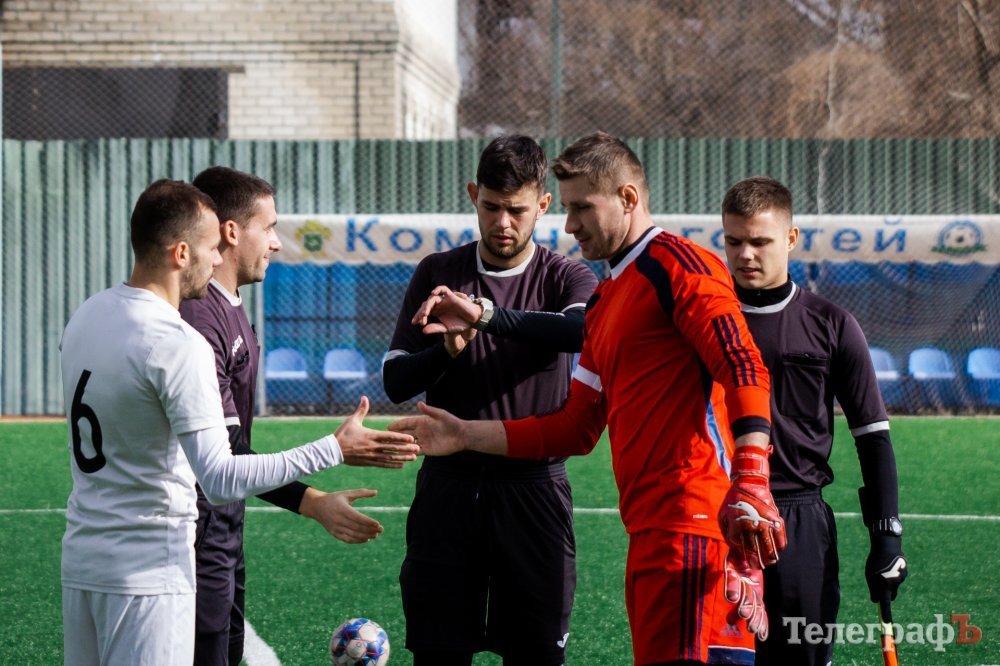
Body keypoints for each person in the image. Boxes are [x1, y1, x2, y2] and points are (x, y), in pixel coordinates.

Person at [390, 132, 786, 666]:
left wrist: (753, 476)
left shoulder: (680, 265)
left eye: (581, 208)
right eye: (568, 208)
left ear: (628, 198)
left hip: (694, 525)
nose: (570, 225)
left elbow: (742, 364)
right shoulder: (606, 299)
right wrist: (463, 434)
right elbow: (574, 427)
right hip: (647, 531)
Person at [59, 179, 418, 666]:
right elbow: (220, 477)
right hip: (148, 571)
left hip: (83, 560)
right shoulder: (177, 341)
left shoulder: (88, 314)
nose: (216, 260)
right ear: (181, 253)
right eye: (211, 248)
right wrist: (334, 448)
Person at [381, 135, 599, 665]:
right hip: (448, 491)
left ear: (542, 205)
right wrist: (446, 352)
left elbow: (577, 331)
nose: (503, 222)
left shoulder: (566, 275)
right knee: (439, 654)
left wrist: (484, 316)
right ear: (473, 195)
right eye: (492, 207)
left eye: (517, 210)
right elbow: (395, 381)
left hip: (535, 490)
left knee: (535, 657)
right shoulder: (438, 272)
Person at [179, 166, 387, 666]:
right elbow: (227, 456)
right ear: (232, 231)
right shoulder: (199, 319)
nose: (275, 242)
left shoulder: (229, 307)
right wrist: (314, 496)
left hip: (224, 524)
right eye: (269, 227)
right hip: (194, 531)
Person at [720, 176, 907, 665]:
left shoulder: (833, 323)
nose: (745, 255)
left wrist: (887, 537)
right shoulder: (706, 322)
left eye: (760, 242)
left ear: (790, 238)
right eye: (734, 241)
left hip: (800, 521)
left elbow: (873, 436)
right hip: (719, 513)